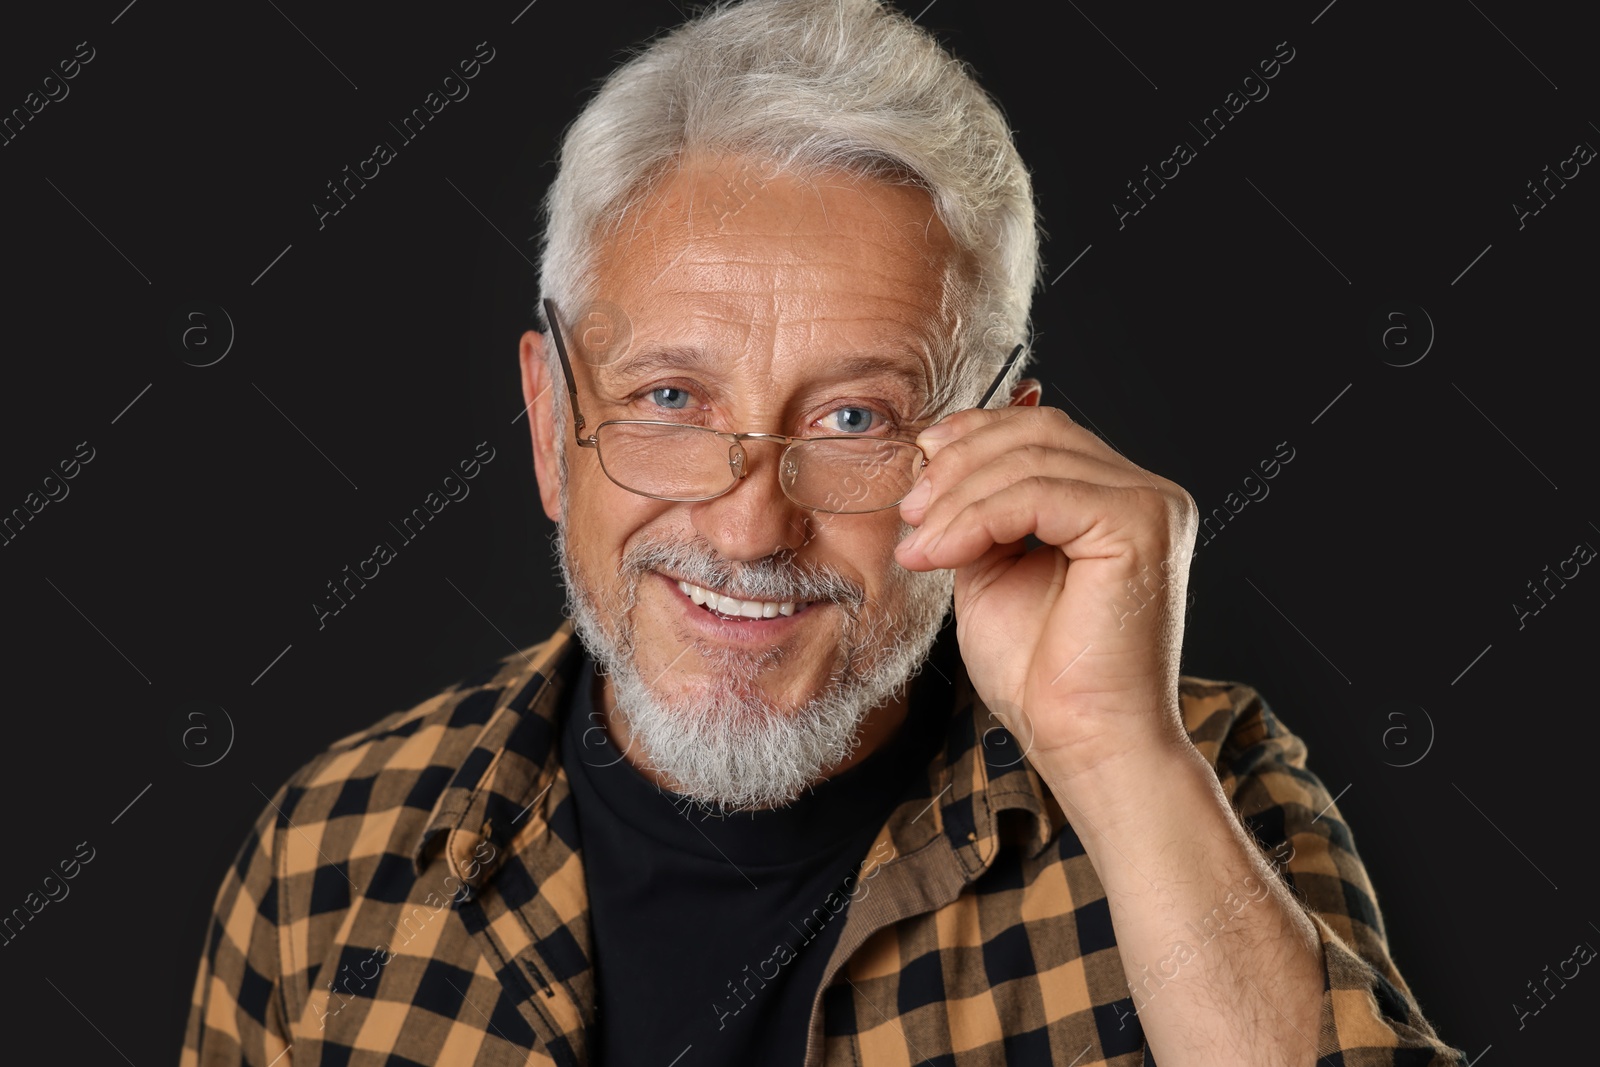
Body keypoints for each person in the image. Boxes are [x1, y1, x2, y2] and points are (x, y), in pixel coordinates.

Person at [182, 1, 1462, 1063]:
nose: (750, 523)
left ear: (996, 441)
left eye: (855, 416)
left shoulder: (1198, 783)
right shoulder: (332, 855)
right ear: (545, 420)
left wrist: (1117, 753)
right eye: (670, 399)